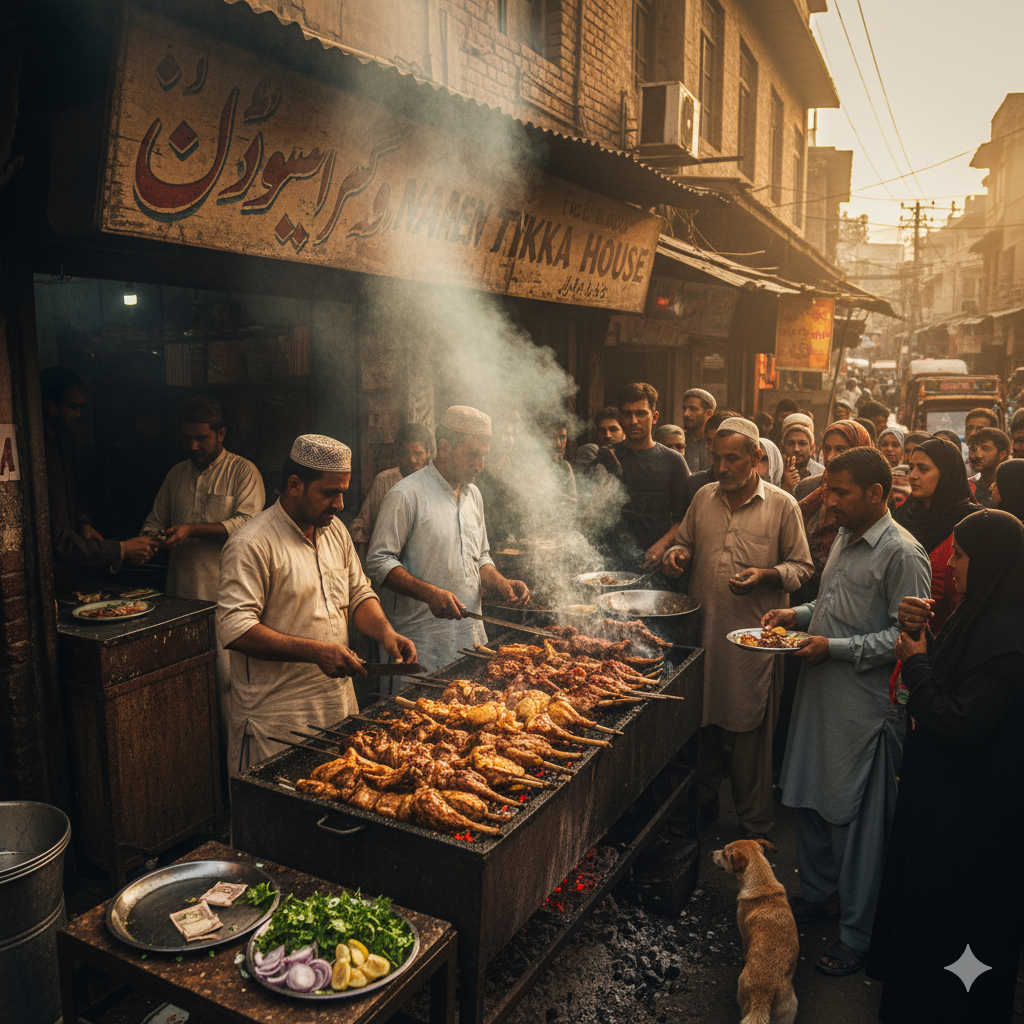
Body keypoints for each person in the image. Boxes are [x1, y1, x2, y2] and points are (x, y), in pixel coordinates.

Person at [764, 447, 931, 977]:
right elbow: (833, 606)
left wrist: (831, 648)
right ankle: (820, 897)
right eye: (829, 490)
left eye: (840, 492)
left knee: (856, 823)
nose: (828, 502)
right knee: (809, 799)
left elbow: (906, 637)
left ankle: (858, 934)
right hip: (818, 694)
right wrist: (796, 613)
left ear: (876, 494)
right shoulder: (841, 535)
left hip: (863, 708)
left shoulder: (904, 554)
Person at [867, 509, 1024, 1023]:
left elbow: (960, 720)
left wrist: (914, 659)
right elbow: (949, 681)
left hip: (971, 822)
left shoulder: (1007, 643)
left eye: (959, 555)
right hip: (945, 805)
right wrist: (926, 636)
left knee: (956, 931)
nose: (951, 565)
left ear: (990, 563)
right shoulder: (979, 617)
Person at [217, 435, 417, 772]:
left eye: (343, 492)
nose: (339, 504)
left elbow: (359, 595)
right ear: (295, 485)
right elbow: (236, 631)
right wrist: (316, 651)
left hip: (338, 709)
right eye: (329, 493)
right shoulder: (251, 544)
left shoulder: (335, 531)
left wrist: (386, 633)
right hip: (277, 724)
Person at [663, 417, 813, 838]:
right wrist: (678, 554)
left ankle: (755, 826)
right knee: (704, 726)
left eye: (733, 459)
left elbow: (802, 569)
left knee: (750, 737)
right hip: (705, 634)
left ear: (757, 459)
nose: (722, 467)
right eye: (716, 458)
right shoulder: (704, 497)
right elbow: (686, 542)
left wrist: (765, 575)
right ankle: (704, 807)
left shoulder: (783, 505)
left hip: (754, 642)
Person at [140, 396, 266, 743]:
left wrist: (191, 529)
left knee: (227, 688)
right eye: (186, 438)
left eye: (201, 438)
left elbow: (247, 525)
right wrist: (148, 541)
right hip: (179, 600)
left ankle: (232, 774)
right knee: (187, 688)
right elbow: (155, 521)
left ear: (221, 434)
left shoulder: (244, 472)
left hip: (225, 603)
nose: (192, 446)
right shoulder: (176, 475)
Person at [367, 406, 529, 675]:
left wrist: (500, 582)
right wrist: (429, 593)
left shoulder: (474, 494)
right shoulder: (406, 495)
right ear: (444, 447)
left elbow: (481, 556)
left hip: (471, 639)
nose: (481, 466)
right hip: (420, 646)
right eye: (473, 455)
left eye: (484, 456)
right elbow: (378, 562)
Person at [41, 366, 157, 590]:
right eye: (72, 407)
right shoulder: (36, 448)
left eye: (81, 407)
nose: (78, 415)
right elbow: (54, 538)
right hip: (52, 576)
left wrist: (83, 522)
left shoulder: (64, 441)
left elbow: (71, 495)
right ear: (49, 404)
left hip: (74, 571)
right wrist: (122, 549)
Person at [594, 383, 690, 570]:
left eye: (640, 413)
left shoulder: (673, 461)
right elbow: (592, 511)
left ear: (654, 417)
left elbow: (685, 517)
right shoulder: (606, 456)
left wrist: (663, 545)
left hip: (656, 564)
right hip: (611, 562)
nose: (633, 420)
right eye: (627, 414)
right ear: (620, 417)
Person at [894, 438, 978, 632]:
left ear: (947, 474)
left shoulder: (969, 523)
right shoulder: (904, 514)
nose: (913, 476)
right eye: (911, 468)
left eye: (923, 469)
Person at [349, 422, 433, 562]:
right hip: (389, 564)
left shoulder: (437, 484)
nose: (412, 460)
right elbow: (363, 525)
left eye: (418, 453)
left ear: (428, 453)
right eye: (405, 453)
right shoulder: (383, 480)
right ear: (398, 454)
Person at [966, 426, 1010, 507]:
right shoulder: (967, 486)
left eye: (985, 449)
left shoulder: (1011, 486)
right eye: (973, 449)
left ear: (1002, 454)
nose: (977, 455)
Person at [779, 414, 823, 495]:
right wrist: (786, 487)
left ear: (812, 448)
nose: (796, 449)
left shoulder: (821, 473)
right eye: (791, 443)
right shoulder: (774, 471)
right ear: (783, 446)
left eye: (802, 443)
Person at [680, 388, 716, 473]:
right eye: (685, 408)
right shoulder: (678, 442)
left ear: (708, 414)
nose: (686, 414)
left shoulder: (716, 445)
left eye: (693, 409)